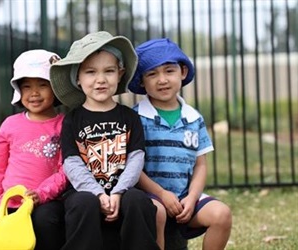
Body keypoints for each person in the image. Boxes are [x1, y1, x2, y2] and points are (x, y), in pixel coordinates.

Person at [49, 31, 160, 250]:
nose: (100, 79)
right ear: (77, 79)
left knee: (138, 201)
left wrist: (118, 192)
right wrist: (98, 193)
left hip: (124, 189)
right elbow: (71, 162)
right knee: (83, 202)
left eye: (109, 71)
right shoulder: (72, 119)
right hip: (84, 192)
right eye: (91, 72)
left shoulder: (129, 117)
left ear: (120, 74)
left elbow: (136, 158)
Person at [128, 38, 233, 250]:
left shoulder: (194, 118)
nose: (162, 80)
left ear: (182, 72)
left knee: (222, 214)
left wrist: (193, 197)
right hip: (151, 197)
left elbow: (200, 165)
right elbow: (132, 166)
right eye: (152, 74)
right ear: (141, 81)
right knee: (156, 211)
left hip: (185, 197)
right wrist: (161, 193)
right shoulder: (135, 118)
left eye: (169, 71)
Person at [0, 49, 67, 250]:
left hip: (46, 204)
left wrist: (41, 194)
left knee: (45, 223)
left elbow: (65, 171)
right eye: (26, 86)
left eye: (43, 85)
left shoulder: (64, 125)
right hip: (9, 204)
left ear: (56, 88)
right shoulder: (9, 125)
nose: (34, 93)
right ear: (18, 90)